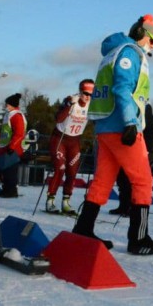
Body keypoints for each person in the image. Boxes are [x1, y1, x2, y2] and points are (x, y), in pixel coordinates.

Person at [71, 14, 153, 255]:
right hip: (122, 126)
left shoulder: (111, 53)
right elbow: (123, 88)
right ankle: (139, 238)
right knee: (143, 181)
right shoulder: (130, 52)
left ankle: (83, 229)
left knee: (103, 181)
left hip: (105, 127)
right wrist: (130, 122)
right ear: (144, 34)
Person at [45, 79, 95, 215]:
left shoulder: (93, 104)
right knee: (60, 169)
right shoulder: (70, 100)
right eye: (85, 93)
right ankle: (50, 201)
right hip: (60, 138)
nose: (88, 97)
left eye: (92, 94)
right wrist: (68, 106)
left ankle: (66, 202)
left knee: (72, 173)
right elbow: (58, 118)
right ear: (80, 91)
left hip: (75, 141)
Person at [110, 102, 153, 216]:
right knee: (121, 178)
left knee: (134, 180)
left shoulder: (145, 107)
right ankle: (123, 205)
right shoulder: (124, 104)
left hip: (140, 147)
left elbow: (151, 130)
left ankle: (133, 207)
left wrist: (148, 149)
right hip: (123, 145)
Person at [0, 93, 27, 198]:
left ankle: (11, 191)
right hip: (6, 148)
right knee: (5, 170)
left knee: (10, 171)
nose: (6, 106)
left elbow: (19, 133)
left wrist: (12, 146)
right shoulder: (9, 115)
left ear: (12, 105)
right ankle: (6, 189)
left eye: (8, 104)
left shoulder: (16, 116)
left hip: (12, 149)